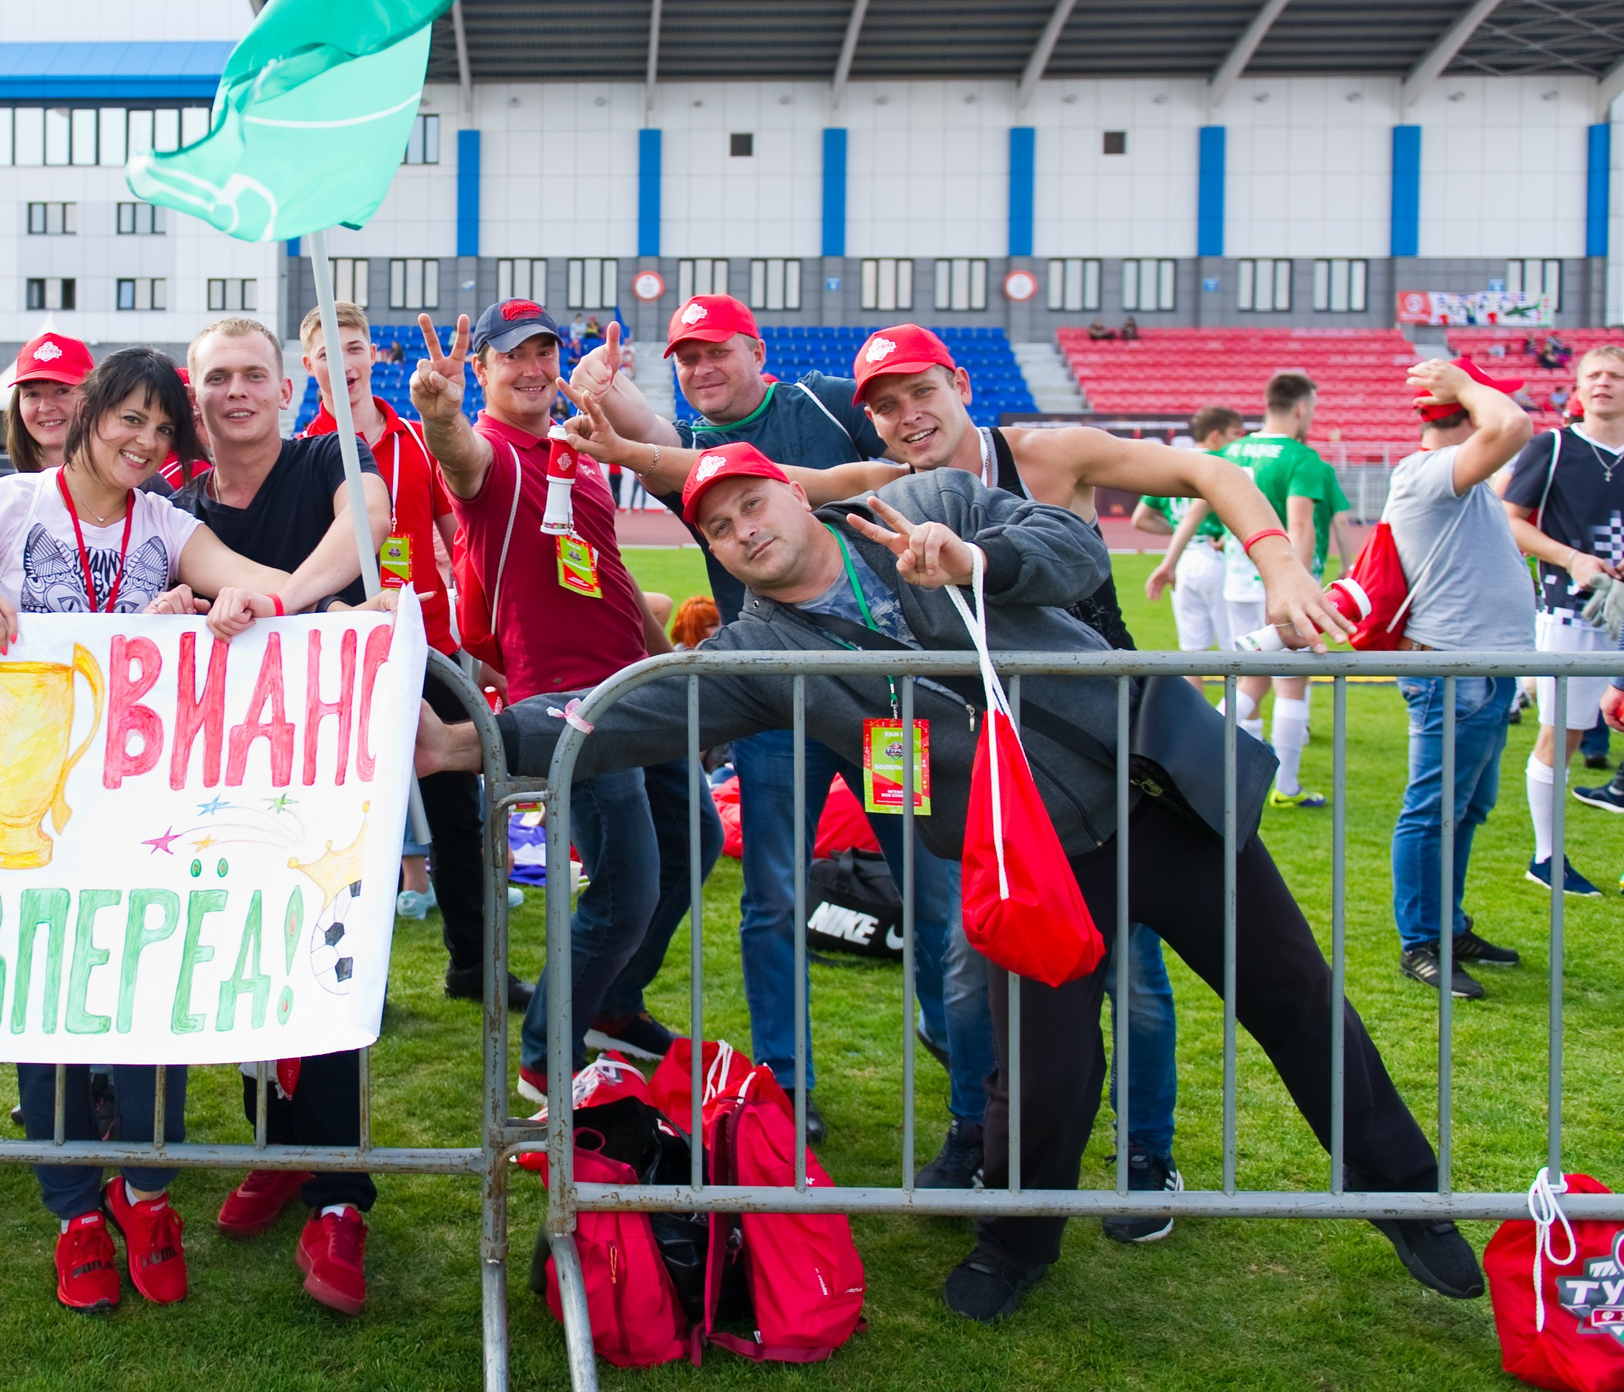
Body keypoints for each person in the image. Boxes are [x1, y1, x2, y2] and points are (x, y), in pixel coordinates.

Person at [414, 447, 1484, 1323]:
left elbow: (1068, 545)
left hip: (1157, 800)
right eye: (721, 527)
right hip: (1023, 867)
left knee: (1293, 996)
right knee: (1044, 1069)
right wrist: (465, 741)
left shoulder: (924, 499)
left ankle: (1403, 1192)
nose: (744, 529)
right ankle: (1016, 1242)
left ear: (794, 490)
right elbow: (618, 716)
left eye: (752, 501)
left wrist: (972, 558)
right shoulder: (757, 650)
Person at [844, 324, 1350, 1227]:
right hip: (997, 787)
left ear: (961, 382)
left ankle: (1145, 1156)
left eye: (920, 391)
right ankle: (976, 1138)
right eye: (884, 406)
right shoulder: (892, 492)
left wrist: (1280, 563)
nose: (907, 416)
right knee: (971, 972)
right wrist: (627, 445)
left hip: (1118, 775)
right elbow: (772, 490)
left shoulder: (1047, 453)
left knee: (1138, 981)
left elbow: (1212, 470)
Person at [0, 347, 304, 1315]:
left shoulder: (167, 522)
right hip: (26, 808)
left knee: (152, 997)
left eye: (163, 430)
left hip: (140, 808)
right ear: (89, 414)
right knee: (47, 1005)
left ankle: (147, 1194)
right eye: (131, 420)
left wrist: (239, 599)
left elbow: (258, 579)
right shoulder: (9, 507)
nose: (146, 443)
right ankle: (73, 1211)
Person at [557, 294, 890, 1142]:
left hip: (889, 702)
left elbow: (905, 481)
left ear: (756, 350)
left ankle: (967, 1078)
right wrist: (605, 385)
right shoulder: (696, 453)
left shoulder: (821, 401)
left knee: (928, 881)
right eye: (686, 358)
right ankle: (788, 1078)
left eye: (716, 353)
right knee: (773, 896)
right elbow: (655, 443)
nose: (701, 369)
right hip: (773, 706)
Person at [157, 313, 399, 1314]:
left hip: (337, 774)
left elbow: (367, 521)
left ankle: (342, 1193)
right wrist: (164, 607)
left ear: (285, 387)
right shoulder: (174, 500)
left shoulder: (327, 460)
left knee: (325, 962)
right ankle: (282, 1144)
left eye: (254, 373)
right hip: (217, 778)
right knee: (242, 962)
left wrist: (286, 599)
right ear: (194, 390)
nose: (237, 391)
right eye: (218, 377)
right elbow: (147, 584)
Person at [405, 299, 695, 1109]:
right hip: (573, 702)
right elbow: (459, 463)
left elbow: (605, 563)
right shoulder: (490, 450)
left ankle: (607, 1000)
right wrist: (441, 416)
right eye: (513, 355)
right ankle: (545, 1052)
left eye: (545, 352)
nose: (532, 368)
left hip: (638, 684)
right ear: (487, 369)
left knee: (695, 839)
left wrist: (661, 650)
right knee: (628, 885)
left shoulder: (576, 450)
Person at [298, 301, 513, 1006]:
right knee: (353, 825)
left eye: (354, 345)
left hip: (433, 646)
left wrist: (482, 626)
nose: (345, 359)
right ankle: (360, 981)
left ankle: (474, 966)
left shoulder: (415, 439)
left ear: (371, 356)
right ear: (312, 366)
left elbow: (458, 534)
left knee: (458, 812)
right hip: (348, 653)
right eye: (329, 349)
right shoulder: (305, 453)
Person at [1378, 357, 1537, 1000]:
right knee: (1434, 810)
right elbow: (1514, 425)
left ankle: (1446, 925)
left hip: (1481, 672)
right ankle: (1421, 941)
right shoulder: (1428, 472)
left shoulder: (1453, 479)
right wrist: (1474, 390)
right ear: (1466, 411)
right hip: (1454, 669)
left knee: (1464, 808)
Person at [1501, 343, 1624, 895]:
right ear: (1577, 385)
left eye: (1615, 376)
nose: (1604, 383)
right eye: (1594, 374)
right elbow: (1510, 522)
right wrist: (1571, 558)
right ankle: (1547, 857)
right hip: (1571, 613)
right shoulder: (1550, 447)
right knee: (1562, 736)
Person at [1215, 372, 1355, 802]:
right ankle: (1287, 786)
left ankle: (1216, 772)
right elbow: (1299, 523)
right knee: (1292, 684)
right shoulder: (1301, 458)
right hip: (1279, 583)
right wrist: (1299, 582)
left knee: (1248, 680)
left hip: (1237, 577)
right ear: (1300, 408)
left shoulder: (1230, 452)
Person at [1136, 407, 1249, 652]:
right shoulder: (1225, 465)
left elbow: (1141, 519)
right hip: (1218, 556)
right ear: (1216, 435)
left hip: (1183, 559)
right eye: (1235, 433)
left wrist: (1179, 531)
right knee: (1235, 647)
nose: (1239, 439)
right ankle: (1238, 693)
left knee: (1191, 651)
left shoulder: (1173, 464)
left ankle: (1194, 693)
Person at [4, 331, 94, 474]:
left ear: (93, 397)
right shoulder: (11, 492)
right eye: (32, 394)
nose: (45, 407)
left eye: (62, 391)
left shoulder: (130, 487)